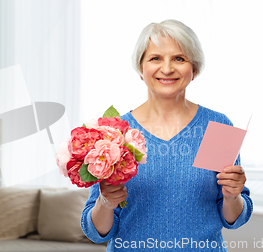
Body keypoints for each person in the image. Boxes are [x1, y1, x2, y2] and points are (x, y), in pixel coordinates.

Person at [81, 20, 252, 251]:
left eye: (179, 59)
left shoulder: (217, 126)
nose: (167, 68)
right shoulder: (115, 132)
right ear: (141, 68)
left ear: (195, 69)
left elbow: (234, 219)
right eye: (155, 58)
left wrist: (233, 197)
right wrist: (105, 202)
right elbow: (96, 232)